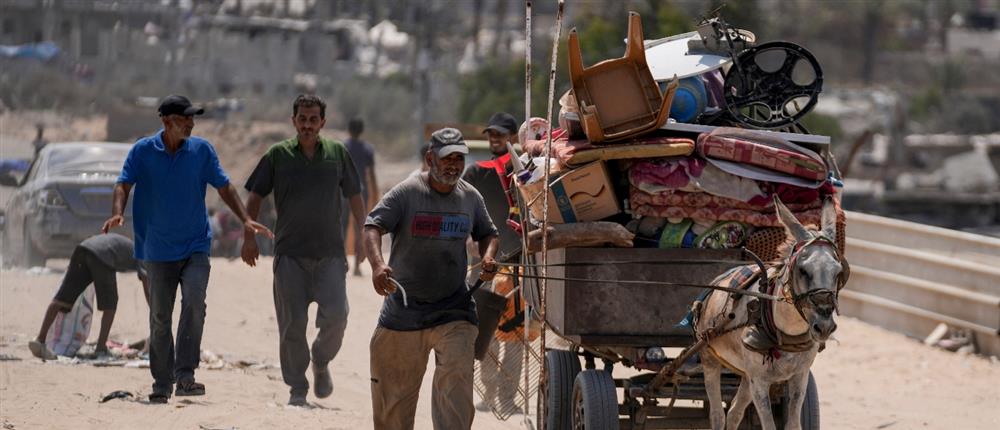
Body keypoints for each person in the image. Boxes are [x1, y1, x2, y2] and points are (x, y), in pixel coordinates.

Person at [102, 94, 272, 404]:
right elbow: (123, 183)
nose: (191, 124)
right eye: (185, 119)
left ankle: (185, 376)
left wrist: (246, 220)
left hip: (195, 244)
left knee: (194, 303)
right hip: (156, 248)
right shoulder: (143, 151)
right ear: (167, 122)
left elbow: (224, 186)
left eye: (193, 118)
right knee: (160, 317)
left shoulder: (201, 150)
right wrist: (117, 211)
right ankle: (161, 383)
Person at [364, 127, 499, 430]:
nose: (453, 165)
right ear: (430, 159)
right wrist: (377, 265)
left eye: (459, 159)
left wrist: (489, 256)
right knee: (392, 407)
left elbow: (489, 233)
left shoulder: (470, 197)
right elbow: (372, 226)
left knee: (456, 394)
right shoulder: (406, 193)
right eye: (446, 158)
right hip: (404, 311)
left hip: (454, 309)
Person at [241, 94, 367, 407]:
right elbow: (255, 195)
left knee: (337, 317)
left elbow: (355, 196)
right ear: (293, 121)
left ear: (322, 122)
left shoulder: (337, 153)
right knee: (292, 327)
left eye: (313, 120)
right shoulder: (277, 155)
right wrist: (249, 236)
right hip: (290, 256)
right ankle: (297, 388)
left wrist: (365, 236)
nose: (307, 125)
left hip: (330, 255)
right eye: (302, 119)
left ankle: (320, 360)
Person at [461, 112, 525, 411]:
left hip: (518, 261)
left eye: (500, 134)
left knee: (514, 331)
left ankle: (508, 398)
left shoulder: (525, 172)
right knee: (484, 330)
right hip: (482, 262)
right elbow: (459, 208)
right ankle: (488, 393)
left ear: (513, 137)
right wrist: (467, 239)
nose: (495, 139)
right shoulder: (476, 173)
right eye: (491, 134)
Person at [28, 233, 149, 360]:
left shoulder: (133, 246)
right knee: (110, 305)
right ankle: (101, 348)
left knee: (62, 298)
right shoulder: (145, 255)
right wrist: (155, 311)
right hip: (103, 255)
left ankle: (40, 340)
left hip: (83, 249)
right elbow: (147, 286)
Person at [341, 117, 378, 276]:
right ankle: (357, 265)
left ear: (349, 130)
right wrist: (375, 192)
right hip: (361, 191)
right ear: (362, 131)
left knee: (342, 226)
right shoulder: (367, 149)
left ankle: (342, 261)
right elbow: (372, 174)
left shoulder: (343, 147)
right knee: (360, 226)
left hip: (343, 190)